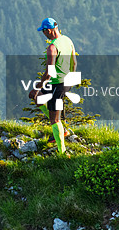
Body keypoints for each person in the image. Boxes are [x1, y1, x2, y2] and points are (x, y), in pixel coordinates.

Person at [28, 18, 76, 154]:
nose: (43, 34)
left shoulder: (52, 47)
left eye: (43, 31)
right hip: (65, 82)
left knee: (55, 119)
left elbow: (49, 73)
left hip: (58, 85)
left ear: (48, 30)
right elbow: (74, 62)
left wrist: (37, 87)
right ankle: (62, 129)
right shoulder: (68, 40)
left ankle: (62, 152)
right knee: (37, 98)